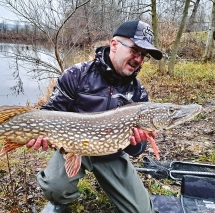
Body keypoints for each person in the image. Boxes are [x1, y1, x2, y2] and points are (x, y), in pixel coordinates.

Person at [26, 20, 163, 213]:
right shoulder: (76, 75)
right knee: (55, 188)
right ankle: (59, 201)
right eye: (134, 50)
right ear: (114, 45)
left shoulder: (138, 92)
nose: (138, 60)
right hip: (72, 147)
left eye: (143, 55)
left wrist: (136, 142)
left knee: (142, 211)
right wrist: (38, 133)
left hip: (112, 155)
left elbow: (137, 151)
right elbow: (50, 112)